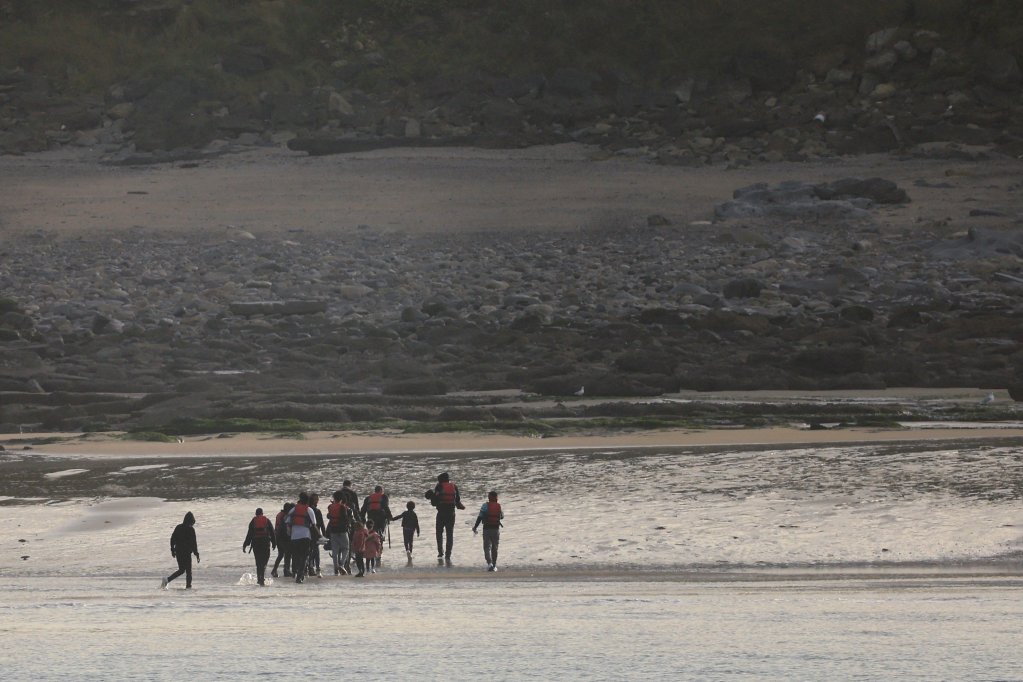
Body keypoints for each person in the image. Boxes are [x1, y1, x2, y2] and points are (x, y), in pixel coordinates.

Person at [431, 472, 465, 561]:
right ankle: (448, 554)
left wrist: (431, 497)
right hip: (451, 513)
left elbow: (434, 503)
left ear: (441, 480)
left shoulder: (439, 487)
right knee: (450, 534)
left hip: (441, 513)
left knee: (439, 533)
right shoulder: (454, 486)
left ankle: (440, 552)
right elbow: (457, 500)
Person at [162, 511, 199, 589]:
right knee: (188, 572)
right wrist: (196, 554)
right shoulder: (191, 529)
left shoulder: (178, 527)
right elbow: (193, 543)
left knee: (182, 570)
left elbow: (172, 539)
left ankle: (167, 580)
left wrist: (172, 550)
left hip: (178, 552)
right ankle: (188, 587)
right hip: (186, 553)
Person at [286, 492, 318, 584]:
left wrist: (289, 534)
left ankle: (295, 573)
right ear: (308, 501)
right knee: (304, 557)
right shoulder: (309, 510)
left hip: (294, 537)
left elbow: (287, 523)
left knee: (295, 556)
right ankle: (299, 577)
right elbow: (314, 525)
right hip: (305, 537)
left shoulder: (293, 510)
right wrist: (320, 536)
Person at [242, 507, 277, 586]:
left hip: (256, 543)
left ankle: (259, 579)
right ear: (262, 513)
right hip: (265, 543)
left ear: (256, 514)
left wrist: (245, 545)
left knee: (258, 562)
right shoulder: (267, 521)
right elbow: (272, 533)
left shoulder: (253, 522)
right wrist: (274, 543)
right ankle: (262, 577)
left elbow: (249, 535)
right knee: (265, 560)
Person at [472, 491, 504, 572]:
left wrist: (475, 527)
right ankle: (494, 564)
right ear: (496, 498)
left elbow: (479, 517)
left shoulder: (485, 505)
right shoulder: (499, 506)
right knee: (495, 547)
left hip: (486, 529)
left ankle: (490, 564)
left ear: (489, 497)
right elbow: (502, 516)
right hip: (496, 529)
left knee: (486, 547)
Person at [361, 485, 392, 567]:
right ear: (381, 490)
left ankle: (371, 553)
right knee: (380, 535)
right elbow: (386, 507)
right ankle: (378, 555)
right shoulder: (384, 496)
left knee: (371, 534)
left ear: (375, 491)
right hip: (381, 518)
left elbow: (363, 509)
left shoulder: (368, 498)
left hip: (371, 518)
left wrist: (362, 519)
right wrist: (390, 517)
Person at [326, 490, 354, 575]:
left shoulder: (330, 507)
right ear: (341, 499)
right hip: (342, 531)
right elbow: (345, 518)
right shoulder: (343, 507)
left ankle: (335, 569)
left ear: (334, 498)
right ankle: (341, 564)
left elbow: (328, 516)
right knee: (346, 548)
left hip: (333, 531)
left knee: (335, 550)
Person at [307, 493, 327, 578]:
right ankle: (317, 568)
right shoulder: (317, 511)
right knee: (315, 551)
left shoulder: (307, 510)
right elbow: (321, 524)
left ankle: (310, 567)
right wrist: (324, 535)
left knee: (309, 551)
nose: (317, 501)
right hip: (315, 533)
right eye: (316, 499)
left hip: (307, 533)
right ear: (315, 501)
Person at [271, 502, 293, 578]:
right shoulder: (284, 516)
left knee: (281, 554)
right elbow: (284, 527)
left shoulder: (279, 514)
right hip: (282, 537)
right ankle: (286, 570)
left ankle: (275, 570)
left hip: (277, 536)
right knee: (287, 553)